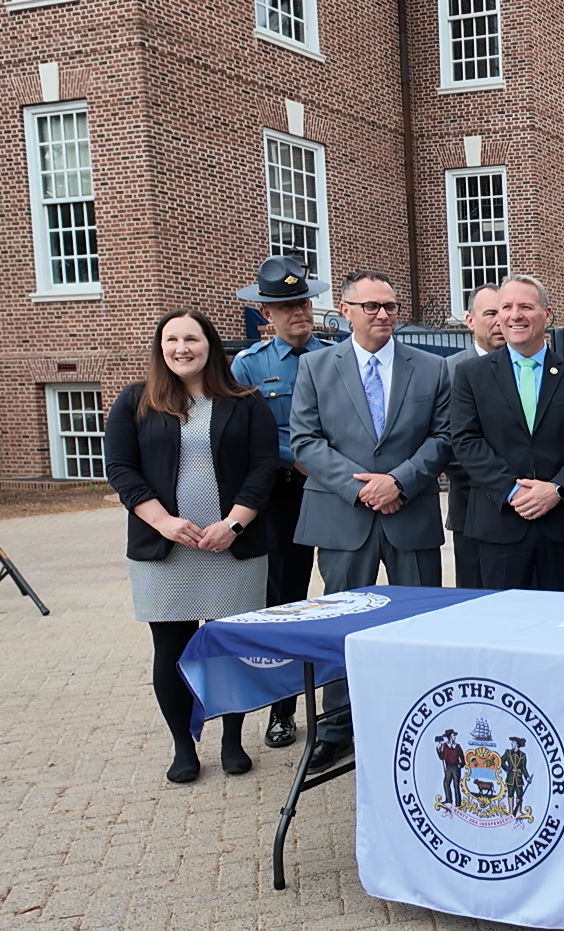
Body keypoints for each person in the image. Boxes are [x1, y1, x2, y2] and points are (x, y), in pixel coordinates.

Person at [104, 309, 278, 783]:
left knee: (230, 650)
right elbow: (120, 468)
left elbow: (264, 468)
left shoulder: (246, 403)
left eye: (192, 339)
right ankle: (183, 745)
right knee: (171, 651)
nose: (181, 348)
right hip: (165, 551)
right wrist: (162, 522)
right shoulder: (135, 401)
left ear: (210, 345)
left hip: (232, 550)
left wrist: (234, 524)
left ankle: (232, 740)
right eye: (172, 339)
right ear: (160, 348)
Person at [291, 270, 455, 773]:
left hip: (410, 512)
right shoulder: (316, 366)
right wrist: (363, 487)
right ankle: (336, 728)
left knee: (421, 624)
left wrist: (398, 482)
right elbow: (305, 441)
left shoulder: (433, 368)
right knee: (342, 625)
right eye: (371, 306)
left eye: (390, 306)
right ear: (346, 311)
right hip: (343, 517)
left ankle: (422, 722)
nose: (383, 314)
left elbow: (444, 437)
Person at [229, 255, 337, 751]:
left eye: (304, 303)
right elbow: (245, 437)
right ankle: (282, 710)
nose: (300, 313)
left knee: (340, 595)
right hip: (282, 494)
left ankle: (340, 706)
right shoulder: (249, 365)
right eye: (288, 306)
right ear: (265, 314)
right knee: (286, 602)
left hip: (333, 489)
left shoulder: (335, 357)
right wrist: (299, 459)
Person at [451, 274, 564, 591]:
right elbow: (466, 441)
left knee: (563, 616)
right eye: (506, 307)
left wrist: (557, 489)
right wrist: (512, 491)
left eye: (525, 306)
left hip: (562, 528)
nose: (515, 315)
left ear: (547, 315)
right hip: (498, 526)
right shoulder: (471, 374)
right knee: (501, 617)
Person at [443, 283, 506, 588]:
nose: (500, 321)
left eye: (504, 312)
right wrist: (502, 485)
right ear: (470, 320)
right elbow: (447, 441)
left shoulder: (527, 368)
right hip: (470, 506)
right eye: (490, 313)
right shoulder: (448, 371)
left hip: (525, 506)